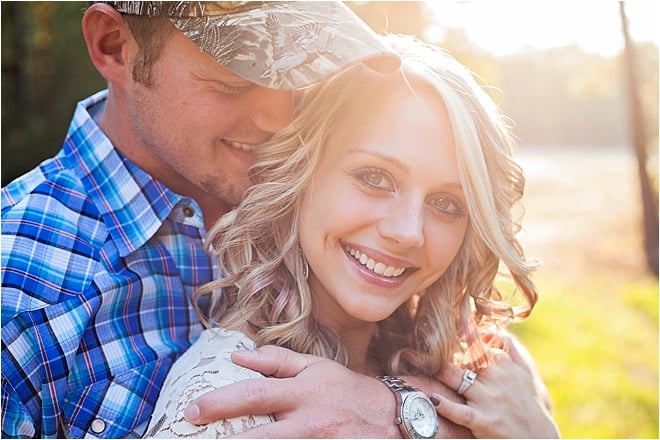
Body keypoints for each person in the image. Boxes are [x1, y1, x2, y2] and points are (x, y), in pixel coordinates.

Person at [0, 1, 553, 438]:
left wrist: (402, 407)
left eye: (297, 75)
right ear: (114, 45)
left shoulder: (301, 192)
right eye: (232, 81)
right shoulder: (20, 295)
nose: (275, 116)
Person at [144, 34, 560, 439]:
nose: (407, 232)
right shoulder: (234, 397)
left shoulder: (491, 377)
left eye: (447, 204)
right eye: (375, 178)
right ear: (300, 173)